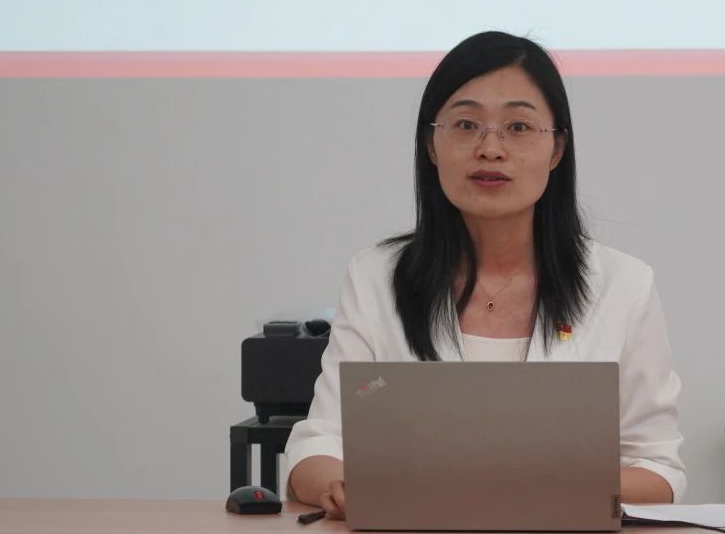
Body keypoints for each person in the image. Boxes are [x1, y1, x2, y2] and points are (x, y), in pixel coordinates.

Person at [285, 31, 686, 518]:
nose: (491, 148)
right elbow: (317, 446)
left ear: (557, 149)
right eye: (466, 124)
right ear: (431, 145)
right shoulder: (376, 278)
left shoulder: (623, 285)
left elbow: (658, 470)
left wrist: (518, 485)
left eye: (518, 127)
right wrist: (339, 486)